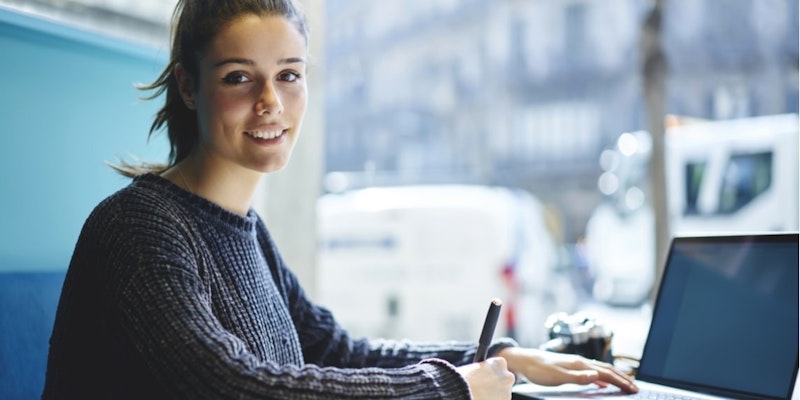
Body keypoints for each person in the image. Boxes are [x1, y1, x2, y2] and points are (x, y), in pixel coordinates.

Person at [42, 0, 639, 399]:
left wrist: (507, 356)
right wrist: (451, 389)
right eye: (238, 77)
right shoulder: (138, 227)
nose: (271, 102)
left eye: (289, 74)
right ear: (189, 87)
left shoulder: (244, 229)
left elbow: (335, 350)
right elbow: (236, 386)